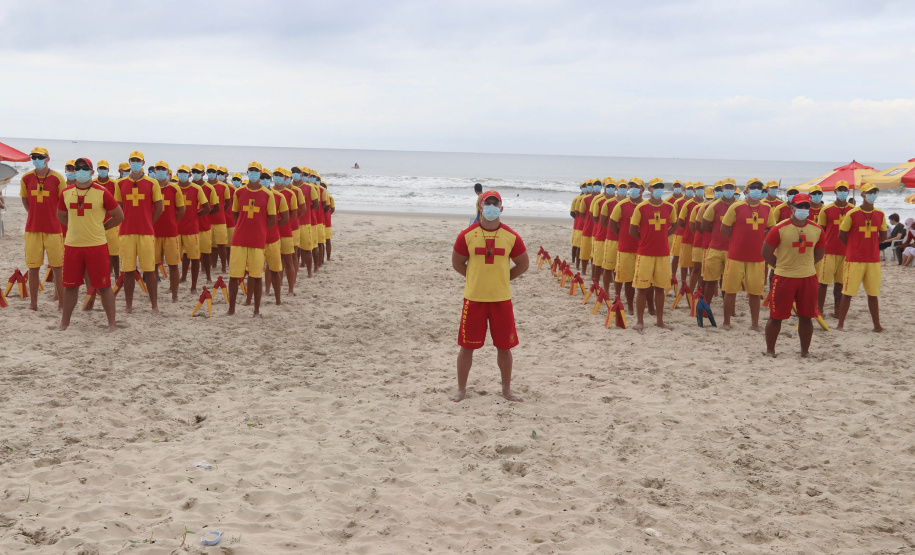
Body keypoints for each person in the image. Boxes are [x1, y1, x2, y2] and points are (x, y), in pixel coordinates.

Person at [451, 190, 528, 403]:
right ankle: (461, 390)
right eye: (488, 203)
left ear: (501, 208)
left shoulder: (511, 236)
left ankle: (506, 390)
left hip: (501, 299)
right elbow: (457, 262)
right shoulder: (467, 234)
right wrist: (475, 277)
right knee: (466, 346)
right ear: (481, 206)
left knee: (505, 346)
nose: (491, 207)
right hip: (474, 298)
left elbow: (523, 264)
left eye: (496, 203)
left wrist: (503, 278)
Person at [56, 158, 124, 331]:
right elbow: (61, 216)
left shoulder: (101, 192)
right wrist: (75, 227)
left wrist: (102, 228)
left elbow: (119, 216)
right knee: (70, 286)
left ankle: (112, 324)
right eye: (76, 168)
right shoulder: (66, 192)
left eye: (84, 168)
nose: (80, 171)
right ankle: (64, 323)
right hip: (72, 245)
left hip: (97, 245)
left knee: (104, 285)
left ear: (92, 172)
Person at [761, 193, 824, 358]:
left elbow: (819, 254)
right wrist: (781, 266)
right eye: (800, 206)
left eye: (806, 206)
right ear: (792, 208)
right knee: (776, 316)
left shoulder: (817, 229)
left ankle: (805, 351)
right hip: (784, 277)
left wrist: (805, 265)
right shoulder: (779, 228)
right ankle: (770, 351)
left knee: (806, 316)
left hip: (808, 277)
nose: (803, 209)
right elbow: (766, 252)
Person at [719, 179, 772, 331]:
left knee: (756, 292)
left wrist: (759, 239)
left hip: (757, 257)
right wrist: (737, 239)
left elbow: (771, 228)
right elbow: (724, 228)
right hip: (736, 256)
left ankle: (755, 324)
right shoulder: (736, 207)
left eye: (759, 188)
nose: (756, 190)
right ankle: (726, 322)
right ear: (746, 190)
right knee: (730, 290)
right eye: (753, 188)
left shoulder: (767, 208)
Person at [115, 150, 163, 314]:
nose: (135, 163)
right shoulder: (120, 183)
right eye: (132, 160)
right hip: (126, 232)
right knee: (128, 270)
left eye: (138, 160)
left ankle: (154, 305)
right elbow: (118, 207)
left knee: (149, 270)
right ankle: (128, 305)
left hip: (146, 233)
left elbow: (159, 207)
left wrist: (149, 222)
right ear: (129, 162)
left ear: (143, 163)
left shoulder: (152, 183)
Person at [226, 162, 277, 317]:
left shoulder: (268, 195)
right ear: (247, 172)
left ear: (260, 174)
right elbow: (236, 213)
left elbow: (273, 218)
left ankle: (256, 311)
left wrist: (259, 229)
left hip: (257, 241)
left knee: (256, 276)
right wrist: (244, 226)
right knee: (234, 275)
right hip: (239, 239)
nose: (254, 173)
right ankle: (231, 309)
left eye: (257, 171)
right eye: (251, 171)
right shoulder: (239, 192)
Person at [835, 183, 887, 332]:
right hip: (854, 259)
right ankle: (841, 324)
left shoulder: (880, 214)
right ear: (862, 195)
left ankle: (877, 325)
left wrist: (870, 244)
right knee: (848, 292)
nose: (872, 195)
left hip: (873, 260)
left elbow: (883, 235)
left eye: (874, 192)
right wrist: (853, 246)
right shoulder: (852, 213)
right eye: (869, 192)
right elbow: (842, 234)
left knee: (873, 293)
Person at [19, 146, 65, 311]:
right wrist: (33, 214)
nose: (37, 160)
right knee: (33, 267)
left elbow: (63, 202)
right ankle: (33, 304)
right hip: (33, 229)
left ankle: (61, 303)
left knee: (58, 267)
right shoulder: (26, 178)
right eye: (34, 157)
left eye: (40, 157)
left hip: (54, 229)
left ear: (47, 159)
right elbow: (25, 200)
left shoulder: (58, 178)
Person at [629, 178, 677, 331]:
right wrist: (645, 240)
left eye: (661, 187)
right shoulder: (641, 207)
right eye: (656, 187)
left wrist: (663, 237)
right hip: (645, 253)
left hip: (662, 253)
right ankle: (640, 321)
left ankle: (660, 321)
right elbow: (632, 230)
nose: (658, 189)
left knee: (660, 288)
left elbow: (674, 225)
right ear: (649, 189)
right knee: (642, 288)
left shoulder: (669, 207)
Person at [816, 180, 854, 315]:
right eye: (840, 190)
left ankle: (837, 310)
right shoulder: (826, 210)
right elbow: (821, 232)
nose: (842, 192)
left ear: (848, 192)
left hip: (846, 252)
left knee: (840, 284)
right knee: (823, 283)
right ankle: (819, 309)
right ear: (835, 191)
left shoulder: (853, 210)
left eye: (845, 190)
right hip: (829, 251)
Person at [609, 178, 644, 313]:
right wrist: (622, 236)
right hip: (625, 248)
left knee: (643, 281)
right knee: (626, 278)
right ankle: (629, 306)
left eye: (637, 186)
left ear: (643, 189)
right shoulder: (621, 205)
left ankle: (646, 305)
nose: (634, 189)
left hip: (642, 249)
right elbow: (612, 223)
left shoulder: (645, 205)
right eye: (632, 186)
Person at [152, 162, 186, 302]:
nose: (160, 171)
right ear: (154, 171)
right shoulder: (151, 187)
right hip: (153, 232)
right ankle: (153, 294)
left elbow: (181, 211)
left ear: (167, 171)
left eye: (163, 169)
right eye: (158, 169)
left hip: (171, 233)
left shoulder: (174, 189)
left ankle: (174, 295)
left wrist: (172, 221)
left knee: (173, 264)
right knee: (152, 265)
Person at [701, 179, 737, 308]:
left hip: (732, 249)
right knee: (710, 281)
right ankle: (706, 307)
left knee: (729, 283)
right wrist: (717, 232)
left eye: (730, 187)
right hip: (715, 248)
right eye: (726, 187)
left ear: (735, 188)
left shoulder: (739, 206)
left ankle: (729, 309)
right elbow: (704, 225)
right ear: (722, 189)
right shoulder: (714, 206)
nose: (728, 189)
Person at [176, 165, 210, 293]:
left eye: (185, 173)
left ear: (189, 175)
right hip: (177, 230)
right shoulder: (173, 188)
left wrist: (195, 216)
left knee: (195, 258)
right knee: (175, 260)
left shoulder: (196, 189)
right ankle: (175, 283)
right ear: (177, 173)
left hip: (192, 230)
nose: (182, 175)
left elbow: (207, 208)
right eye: (180, 172)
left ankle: (193, 286)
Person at [273, 167, 299, 296]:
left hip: (287, 231)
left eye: (280, 175)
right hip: (273, 232)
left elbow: (294, 213)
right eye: (275, 175)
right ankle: (269, 289)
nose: (278, 177)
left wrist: (283, 222)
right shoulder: (269, 192)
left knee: (288, 260)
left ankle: (290, 289)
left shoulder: (291, 194)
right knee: (272, 262)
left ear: (285, 178)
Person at [94, 160, 121, 280]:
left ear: (108, 170)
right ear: (97, 170)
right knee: (99, 254)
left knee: (114, 254)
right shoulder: (93, 183)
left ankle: (116, 275)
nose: (102, 170)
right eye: (100, 168)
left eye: (104, 168)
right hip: (96, 222)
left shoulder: (114, 184)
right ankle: (102, 274)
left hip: (111, 222)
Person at [598, 179, 624, 292]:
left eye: (624, 187)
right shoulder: (608, 203)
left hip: (625, 241)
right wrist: (614, 231)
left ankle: (618, 292)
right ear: (617, 188)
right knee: (608, 267)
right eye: (620, 187)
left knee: (621, 269)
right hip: (611, 239)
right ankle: (606, 290)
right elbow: (603, 222)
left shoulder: (629, 203)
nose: (622, 189)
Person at [208, 164, 231, 273]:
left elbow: (228, 203)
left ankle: (223, 268)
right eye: (210, 171)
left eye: (213, 171)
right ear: (207, 173)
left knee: (222, 245)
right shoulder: (204, 186)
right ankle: (211, 266)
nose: (212, 173)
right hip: (207, 221)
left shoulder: (223, 187)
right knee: (210, 247)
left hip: (220, 221)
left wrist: (221, 210)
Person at [569, 183, 587, 269]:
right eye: (584, 186)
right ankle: (573, 260)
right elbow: (573, 213)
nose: (585, 188)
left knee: (583, 245)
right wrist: (578, 219)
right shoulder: (577, 199)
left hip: (586, 225)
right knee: (576, 244)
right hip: (578, 225)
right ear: (581, 188)